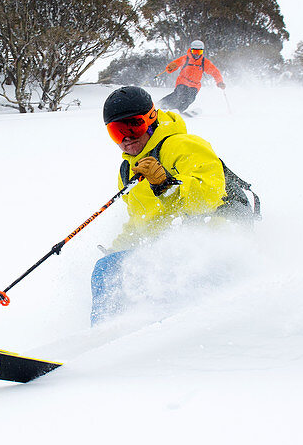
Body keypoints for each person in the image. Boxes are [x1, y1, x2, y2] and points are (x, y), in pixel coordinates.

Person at [91, 85, 231, 324]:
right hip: (167, 249)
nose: (127, 138)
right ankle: (119, 334)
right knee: (109, 267)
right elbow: (141, 221)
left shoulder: (181, 144)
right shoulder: (127, 170)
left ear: (151, 118)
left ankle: (108, 339)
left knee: (110, 270)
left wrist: (166, 184)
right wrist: (119, 248)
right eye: (117, 132)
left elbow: (211, 195)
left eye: (134, 126)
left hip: (209, 246)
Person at [158, 40, 225, 113]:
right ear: (191, 50)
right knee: (179, 94)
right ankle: (161, 105)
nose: (197, 54)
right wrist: (170, 68)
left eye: (199, 52)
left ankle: (178, 111)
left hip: (195, 85)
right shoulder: (185, 59)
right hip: (183, 81)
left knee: (190, 98)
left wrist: (220, 82)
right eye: (195, 51)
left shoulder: (204, 62)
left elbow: (215, 72)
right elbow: (173, 66)